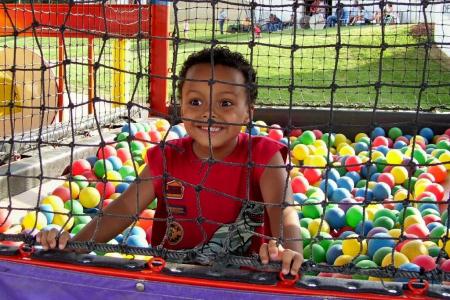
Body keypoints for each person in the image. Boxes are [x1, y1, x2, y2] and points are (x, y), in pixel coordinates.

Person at [37, 47, 304, 276]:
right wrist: (74, 246)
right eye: (195, 101)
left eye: (225, 103)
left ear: (248, 113)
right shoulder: (167, 157)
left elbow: (284, 211)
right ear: (181, 108)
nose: (208, 113)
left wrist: (290, 252)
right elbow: (124, 207)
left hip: (246, 282)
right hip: (173, 279)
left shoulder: (264, 156)